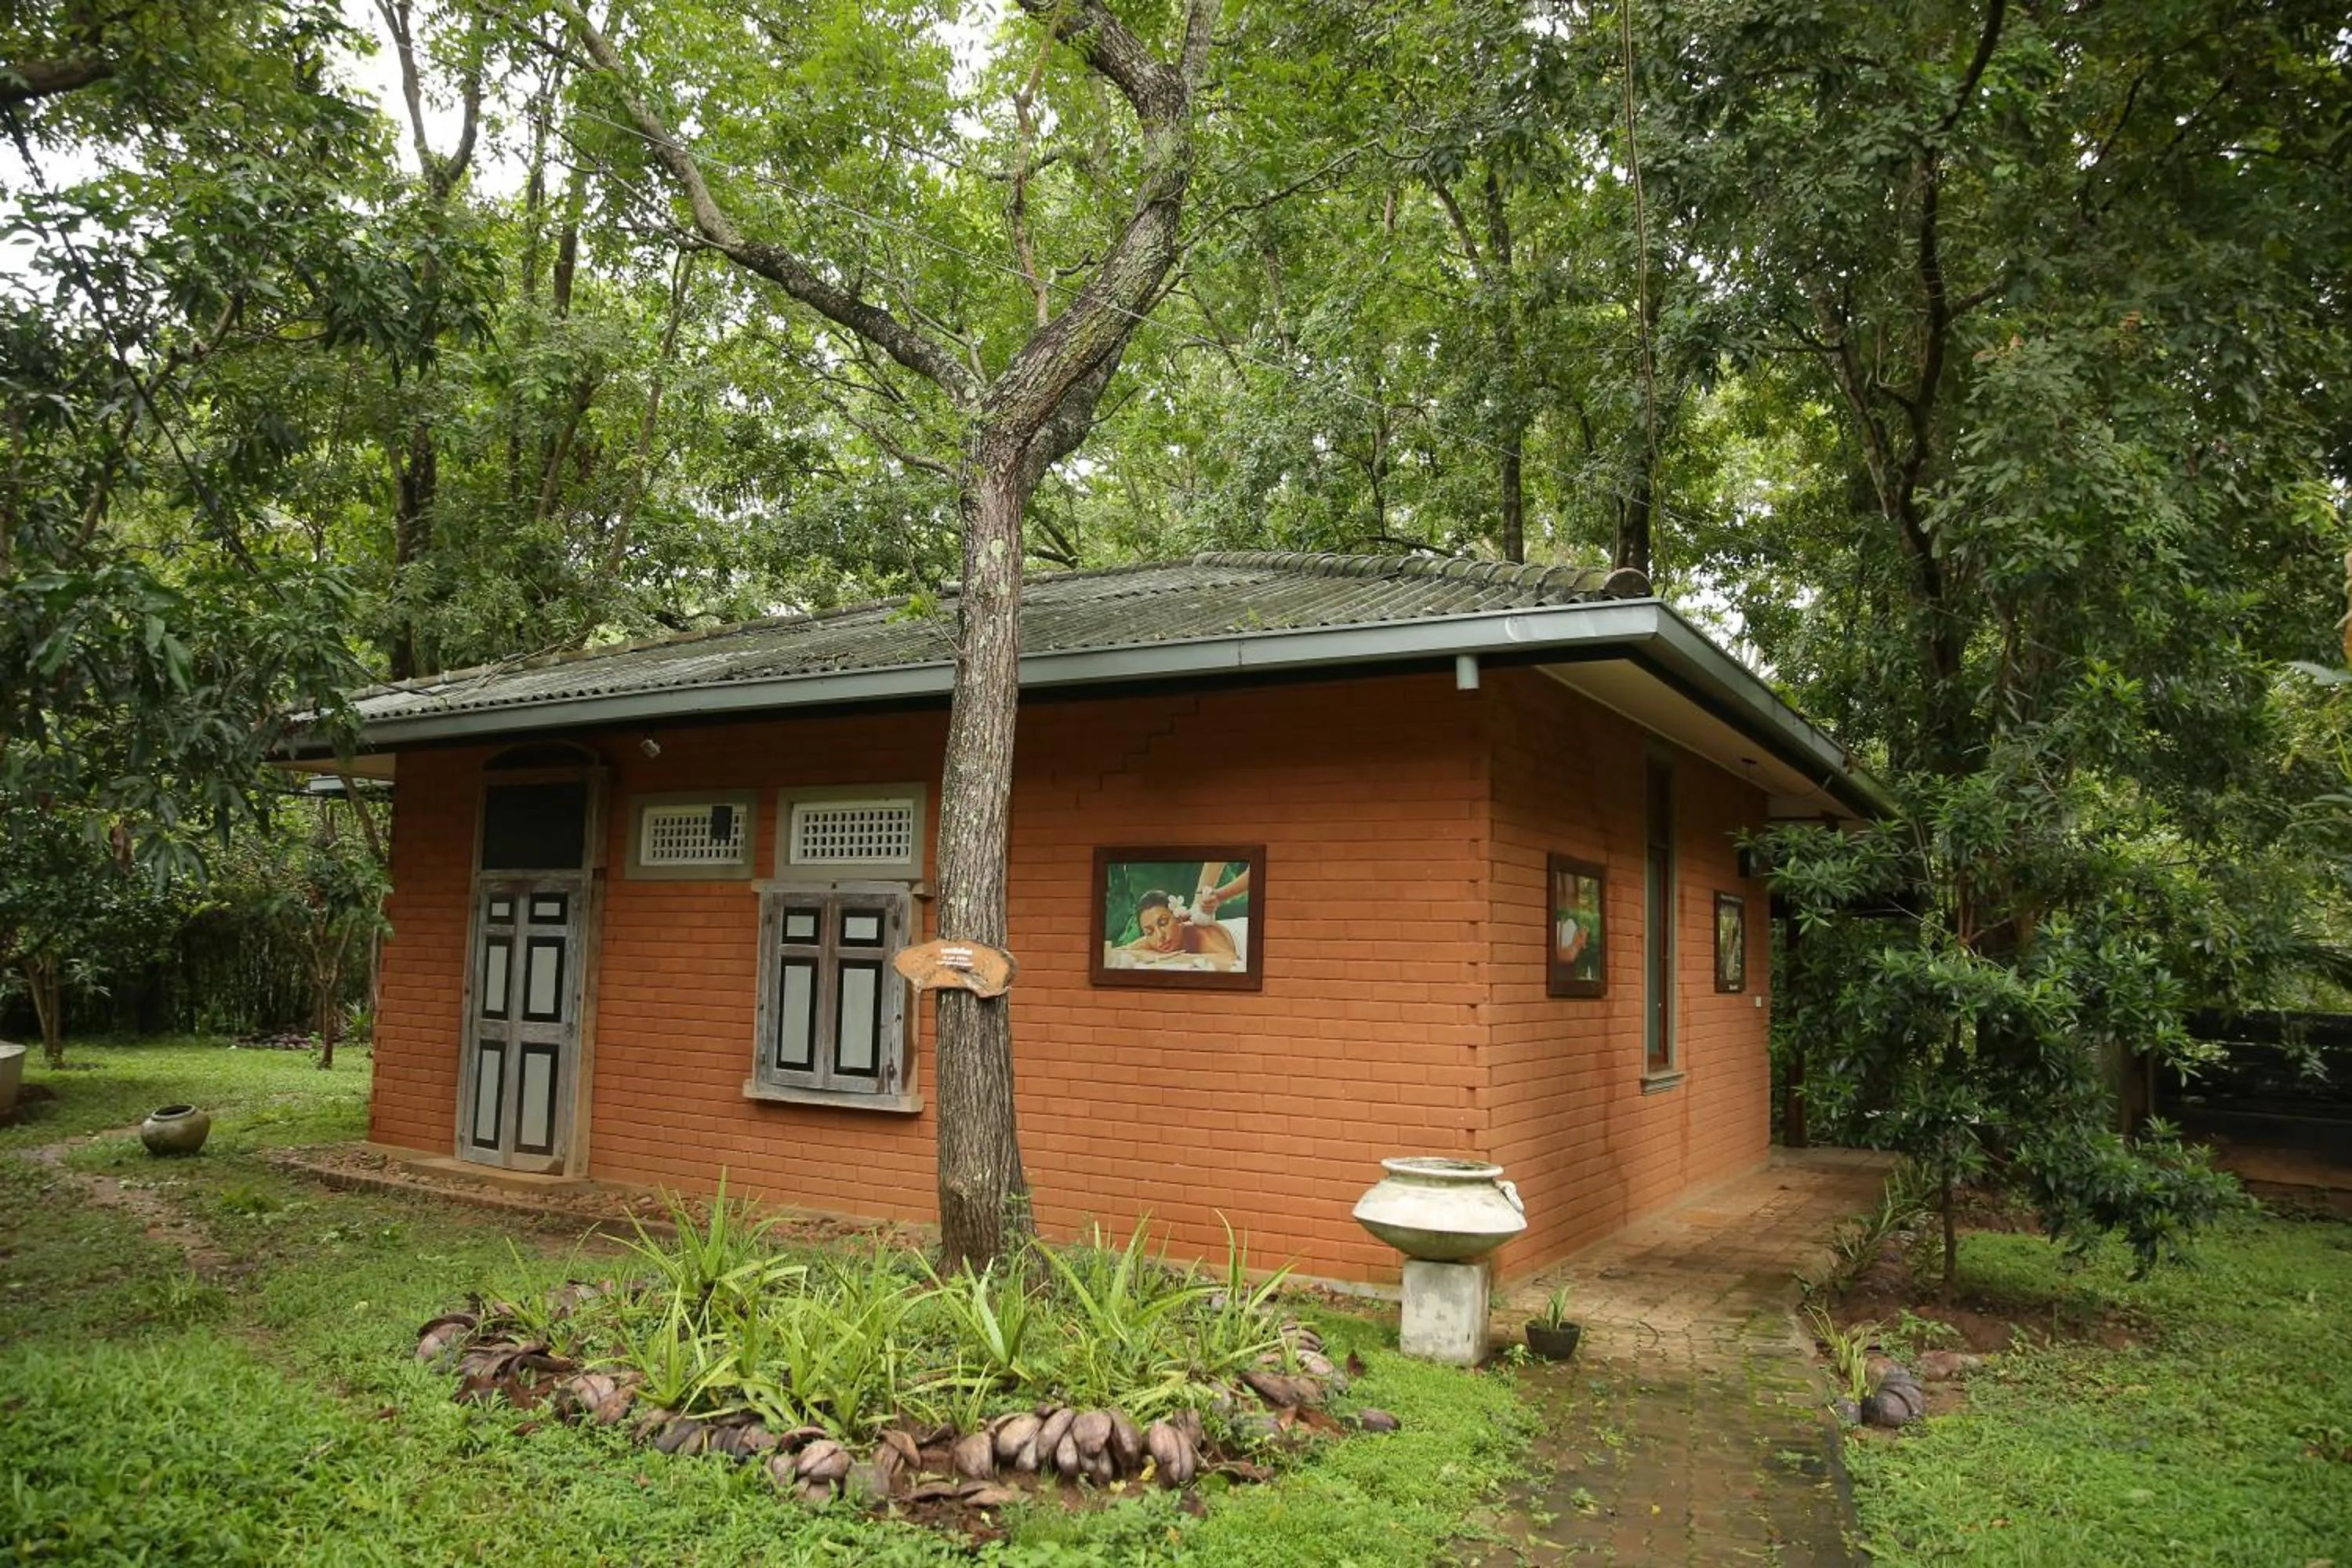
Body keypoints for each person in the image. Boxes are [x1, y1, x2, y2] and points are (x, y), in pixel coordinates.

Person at [1116, 863, 1250, 971]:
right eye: (1149, 931)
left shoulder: (1199, 934)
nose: (1160, 936)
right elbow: (1120, 952)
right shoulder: (1157, 939)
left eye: (1163, 922)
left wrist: (1173, 958)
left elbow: (1233, 962)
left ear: (1179, 919)